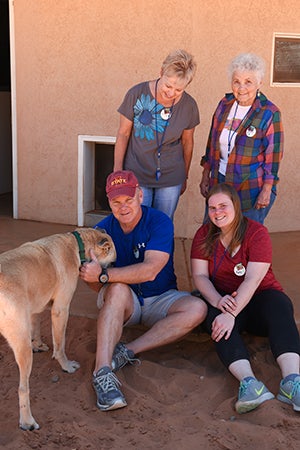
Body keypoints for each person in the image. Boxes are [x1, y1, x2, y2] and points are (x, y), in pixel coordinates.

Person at [79, 170, 207, 411]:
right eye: (116, 202)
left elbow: (151, 270)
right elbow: (96, 283)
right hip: (126, 301)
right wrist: (91, 276)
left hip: (161, 297)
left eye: (128, 200)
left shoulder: (159, 221)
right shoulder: (101, 231)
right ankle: (102, 371)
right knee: (116, 290)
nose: (123, 207)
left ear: (140, 195)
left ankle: (127, 351)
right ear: (109, 203)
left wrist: (104, 275)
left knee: (197, 308)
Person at [191, 183, 300, 414]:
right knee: (216, 322)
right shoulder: (203, 234)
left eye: (223, 206)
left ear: (236, 206)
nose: (217, 212)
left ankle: (292, 382)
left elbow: (252, 279)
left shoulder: (256, 233)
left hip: (259, 299)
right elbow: (200, 276)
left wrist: (231, 313)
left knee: (281, 305)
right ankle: (249, 384)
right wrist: (219, 304)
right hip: (223, 300)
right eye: (211, 207)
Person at [113, 49, 200, 221]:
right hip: (137, 172)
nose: (171, 93)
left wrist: (185, 175)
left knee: (163, 224)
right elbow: (123, 134)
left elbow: (187, 143)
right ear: (161, 72)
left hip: (171, 177)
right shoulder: (136, 94)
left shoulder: (189, 106)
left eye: (178, 89)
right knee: (138, 222)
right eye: (168, 85)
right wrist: (117, 170)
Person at [200, 53, 284, 224]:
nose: (241, 88)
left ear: (260, 83)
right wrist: (205, 175)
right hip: (219, 182)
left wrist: (267, 189)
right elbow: (212, 142)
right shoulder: (224, 104)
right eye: (236, 81)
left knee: (244, 240)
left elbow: (273, 156)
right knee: (212, 234)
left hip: (249, 188)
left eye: (248, 82)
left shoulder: (269, 113)